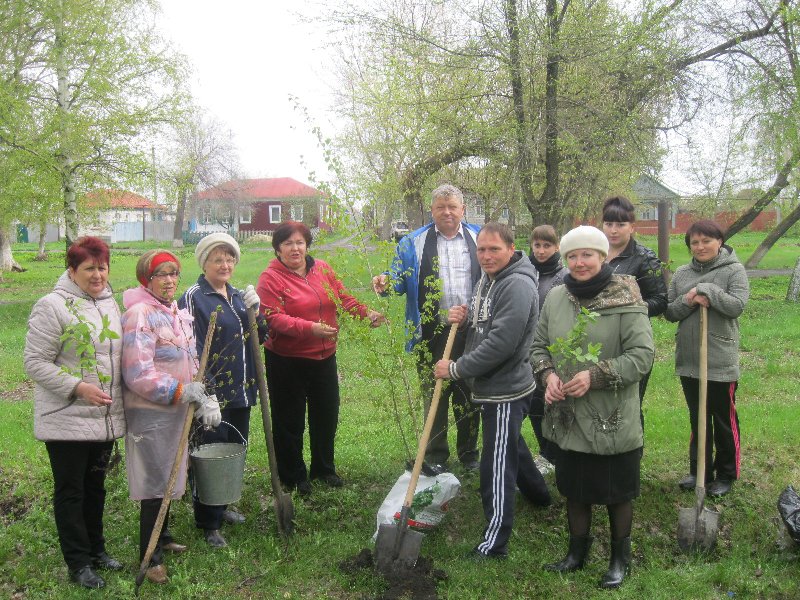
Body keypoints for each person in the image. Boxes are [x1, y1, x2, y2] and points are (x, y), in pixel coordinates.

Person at [530, 225, 654, 589]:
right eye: (572, 256)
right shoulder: (556, 296)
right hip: (567, 415)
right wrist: (549, 376)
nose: (579, 262)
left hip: (610, 418)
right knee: (575, 487)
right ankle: (576, 554)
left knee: (617, 491)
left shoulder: (626, 297)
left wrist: (594, 377)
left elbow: (642, 356)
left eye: (587, 254)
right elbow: (539, 346)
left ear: (602, 257)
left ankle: (620, 558)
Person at [434, 223, 550, 559]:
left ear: (511, 249)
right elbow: (487, 322)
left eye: (493, 249)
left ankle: (494, 542)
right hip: (495, 385)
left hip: (506, 389)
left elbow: (501, 343)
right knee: (510, 443)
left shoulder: (516, 285)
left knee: (496, 464)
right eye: (481, 249)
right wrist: (467, 316)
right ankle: (540, 496)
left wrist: (455, 369)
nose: (485, 256)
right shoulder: (491, 278)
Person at [24, 237, 125, 589]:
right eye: (89, 268)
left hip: (104, 418)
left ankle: (97, 551)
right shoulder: (52, 306)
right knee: (71, 491)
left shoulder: (111, 304)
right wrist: (77, 387)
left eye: (102, 267)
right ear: (72, 270)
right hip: (67, 415)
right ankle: (78, 563)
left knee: (95, 487)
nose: (97, 275)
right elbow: (35, 362)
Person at [257, 221, 385, 496]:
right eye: (288, 243)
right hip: (286, 359)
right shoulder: (271, 278)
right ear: (278, 248)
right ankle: (292, 476)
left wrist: (367, 314)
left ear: (307, 245)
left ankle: (324, 470)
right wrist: (309, 328)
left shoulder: (322, 269)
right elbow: (272, 317)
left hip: (324, 356)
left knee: (326, 414)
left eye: (300, 242)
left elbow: (343, 299)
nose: (295, 248)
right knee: (289, 419)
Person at [121, 250, 221, 585]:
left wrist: (203, 394)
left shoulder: (173, 311)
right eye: (161, 274)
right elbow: (137, 372)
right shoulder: (140, 314)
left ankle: (162, 537)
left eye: (174, 274)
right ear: (146, 279)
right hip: (151, 412)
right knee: (155, 483)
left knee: (171, 474)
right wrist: (180, 391)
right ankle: (150, 558)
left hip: (177, 409)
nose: (169, 281)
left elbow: (190, 359)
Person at [372, 184, 482, 474]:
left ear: (462, 210)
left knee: (469, 393)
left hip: (472, 332)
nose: (447, 212)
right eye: (440, 207)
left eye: (452, 207)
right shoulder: (412, 243)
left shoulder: (478, 236)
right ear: (431, 210)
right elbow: (398, 277)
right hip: (430, 332)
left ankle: (470, 453)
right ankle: (436, 453)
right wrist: (386, 281)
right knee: (435, 393)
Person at [180, 233, 267, 548]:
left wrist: (257, 312)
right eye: (218, 259)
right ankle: (208, 522)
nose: (225, 264)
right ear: (204, 263)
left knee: (232, 450)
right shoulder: (195, 297)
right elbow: (193, 347)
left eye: (230, 258)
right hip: (213, 396)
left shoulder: (238, 295)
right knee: (209, 455)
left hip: (241, 391)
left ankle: (222, 505)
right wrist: (208, 394)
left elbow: (260, 339)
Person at [665, 220, 749, 498]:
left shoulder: (733, 270)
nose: (700, 247)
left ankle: (726, 473)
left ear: (720, 241)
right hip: (690, 361)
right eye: (695, 242)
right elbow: (670, 312)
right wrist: (689, 300)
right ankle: (699, 470)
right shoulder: (681, 273)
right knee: (697, 418)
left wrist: (708, 291)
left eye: (706, 241)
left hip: (719, 360)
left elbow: (736, 306)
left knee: (723, 419)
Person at [601, 196, 667, 430]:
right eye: (608, 224)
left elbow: (660, 300)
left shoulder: (644, 258)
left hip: (631, 341)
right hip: (597, 339)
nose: (613, 230)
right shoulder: (593, 253)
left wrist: (627, 310)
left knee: (629, 402)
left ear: (632, 227)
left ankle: (631, 454)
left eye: (620, 224)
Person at [527, 224, 567, 466]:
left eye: (547, 246)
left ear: (557, 247)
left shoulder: (564, 275)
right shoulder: (525, 272)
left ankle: (556, 451)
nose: (541, 251)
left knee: (552, 400)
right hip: (528, 348)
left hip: (554, 347)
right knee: (534, 402)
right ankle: (545, 450)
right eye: (537, 245)